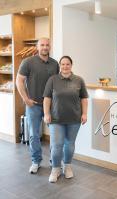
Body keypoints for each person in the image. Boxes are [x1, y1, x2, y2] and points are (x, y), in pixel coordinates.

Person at [16, 38, 59, 174]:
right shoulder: (28, 62)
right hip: (33, 105)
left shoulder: (55, 64)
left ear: (50, 47)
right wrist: (26, 99)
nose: (45, 47)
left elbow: (57, 83)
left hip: (52, 106)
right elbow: (19, 81)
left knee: (55, 135)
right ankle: (36, 161)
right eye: (42, 45)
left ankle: (55, 162)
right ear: (37, 47)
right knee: (34, 135)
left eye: (47, 45)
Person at [43, 55, 88, 183]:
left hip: (74, 119)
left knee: (69, 145)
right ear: (60, 66)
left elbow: (84, 98)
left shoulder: (79, 80)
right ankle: (56, 169)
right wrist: (46, 114)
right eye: (62, 64)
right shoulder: (53, 80)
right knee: (57, 145)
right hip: (56, 119)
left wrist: (84, 114)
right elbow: (47, 98)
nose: (65, 66)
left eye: (67, 64)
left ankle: (67, 166)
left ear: (71, 65)